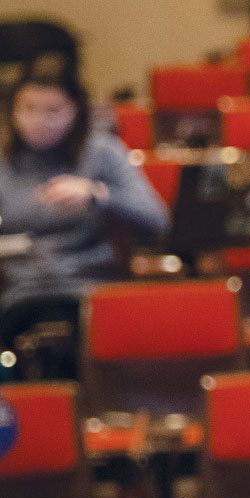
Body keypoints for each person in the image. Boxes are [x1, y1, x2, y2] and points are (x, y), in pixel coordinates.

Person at [0, 72, 169, 375]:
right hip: (17, 292)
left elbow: (157, 220)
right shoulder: (2, 159)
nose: (38, 120)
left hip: (88, 288)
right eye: (27, 108)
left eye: (52, 111)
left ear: (75, 112)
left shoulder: (102, 151)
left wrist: (98, 194)